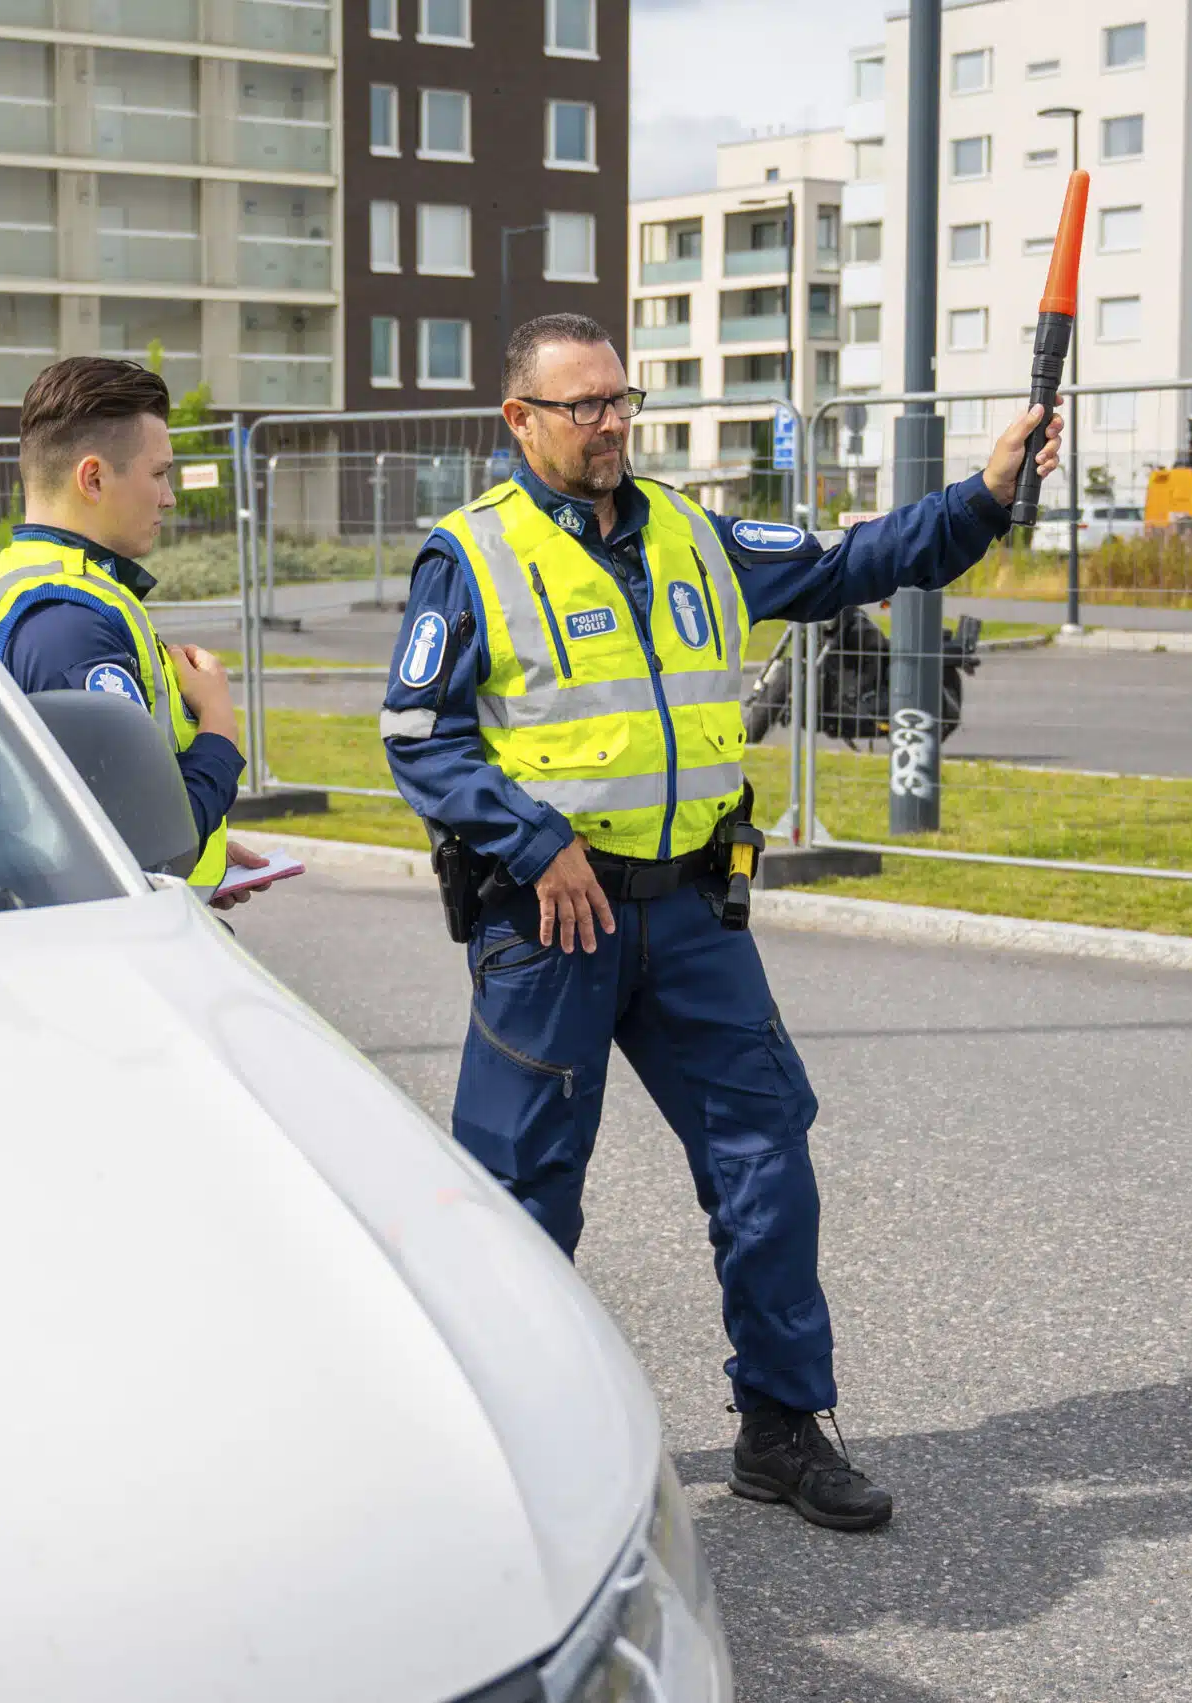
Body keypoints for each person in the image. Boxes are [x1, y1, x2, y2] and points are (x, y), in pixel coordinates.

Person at [381, 313, 1061, 1532]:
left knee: (766, 1162)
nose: (610, 424)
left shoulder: (693, 531)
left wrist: (983, 495)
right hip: (553, 926)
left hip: (694, 909)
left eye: (619, 399)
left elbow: (851, 561)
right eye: (583, 405)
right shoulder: (468, 557)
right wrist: (536, 844)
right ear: (519, 420)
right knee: (524, 1190)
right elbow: (418, 733)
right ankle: (511, 1440)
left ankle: (781, 1428)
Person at [0, 357, 281, 907]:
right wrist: (219, 724)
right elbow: (135, 847)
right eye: (159, 473)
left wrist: (198, 871)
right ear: (94, 477)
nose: (169, 497)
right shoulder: (68, 624)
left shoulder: (4, 584)